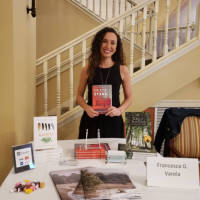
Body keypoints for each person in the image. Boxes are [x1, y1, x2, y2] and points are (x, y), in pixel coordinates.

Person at [76, 27, 132, 139]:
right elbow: (79, 97)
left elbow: (129, 98)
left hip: (113, 122)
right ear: (98, 44)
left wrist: (119, 110)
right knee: (88, 155)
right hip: (90, 121)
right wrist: (87, 108)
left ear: (117, 47)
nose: (108, 46)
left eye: (113, 43)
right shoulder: (86, 69)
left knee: (112, 155)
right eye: (104, 41)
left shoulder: (123, 70)